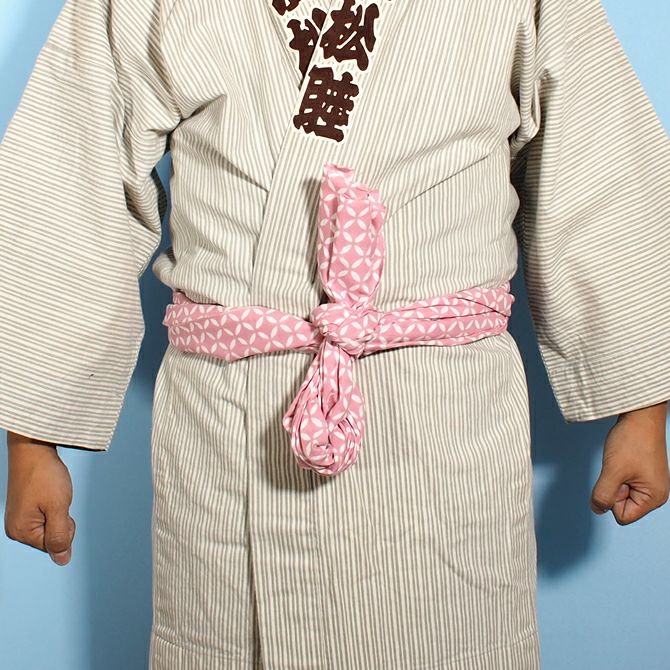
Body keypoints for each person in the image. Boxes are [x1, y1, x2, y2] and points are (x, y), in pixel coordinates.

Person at [2, 0, 669, 667]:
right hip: (231, 414)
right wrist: (32, 444)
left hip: (442, 413)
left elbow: (600, 179)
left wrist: (643, 413)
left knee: (449, 634)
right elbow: (73, 185)